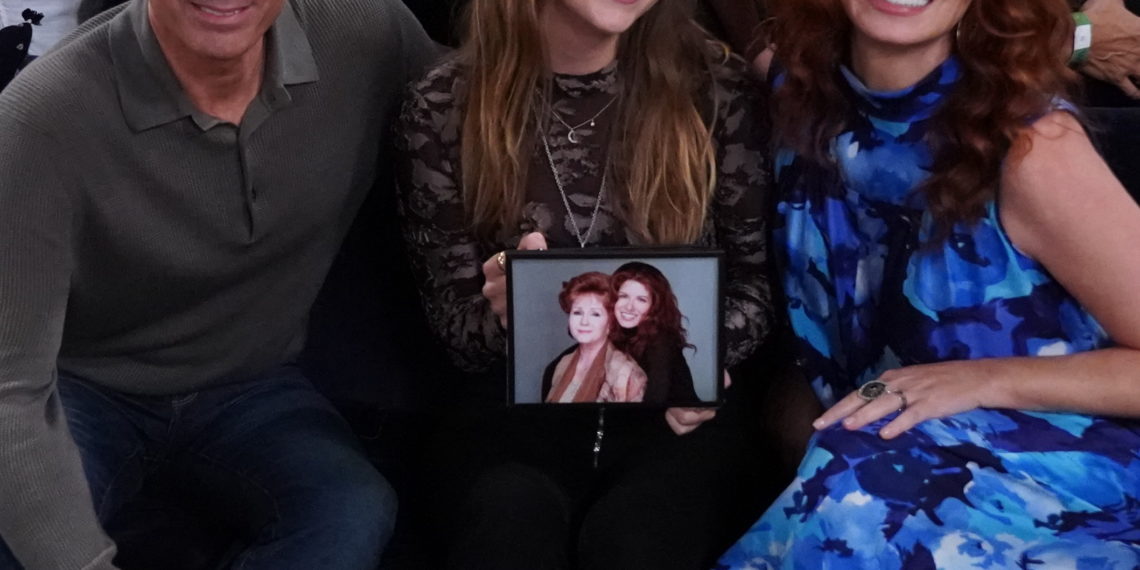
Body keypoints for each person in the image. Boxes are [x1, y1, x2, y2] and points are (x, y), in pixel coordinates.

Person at [0, 0, 436, 567]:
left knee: (353, 510)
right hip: (82, 386)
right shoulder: (38, 117)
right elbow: (9, 388)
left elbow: (490, 104)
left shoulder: (365, 30)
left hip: (252, 383)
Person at [718, 0, 1140, 567]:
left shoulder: (1036, 150)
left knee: (856, 492)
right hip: (881, 452)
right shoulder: (798, 98)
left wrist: (985, 379)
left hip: (1057, 477)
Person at [396, 0, 774, 565]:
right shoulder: (442, 102)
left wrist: (697, 361)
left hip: (677, 411)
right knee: (508, 523)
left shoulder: (717, 88)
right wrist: (512, 315)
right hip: (511, 413)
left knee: (636, 539)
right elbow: (454, 332)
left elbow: (756, 287)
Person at [542, 272, 647, 404]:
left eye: (595, 314)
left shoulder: (627, 373)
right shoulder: (561, 364)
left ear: (610, 322)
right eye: (578, 312)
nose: (584, 322)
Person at [610, 261, 699, 405]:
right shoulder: (617, 332)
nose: (629, 307)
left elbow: (655, 403)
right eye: (623, 296)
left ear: (654, 307)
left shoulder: (661, 341)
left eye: (641, 299)